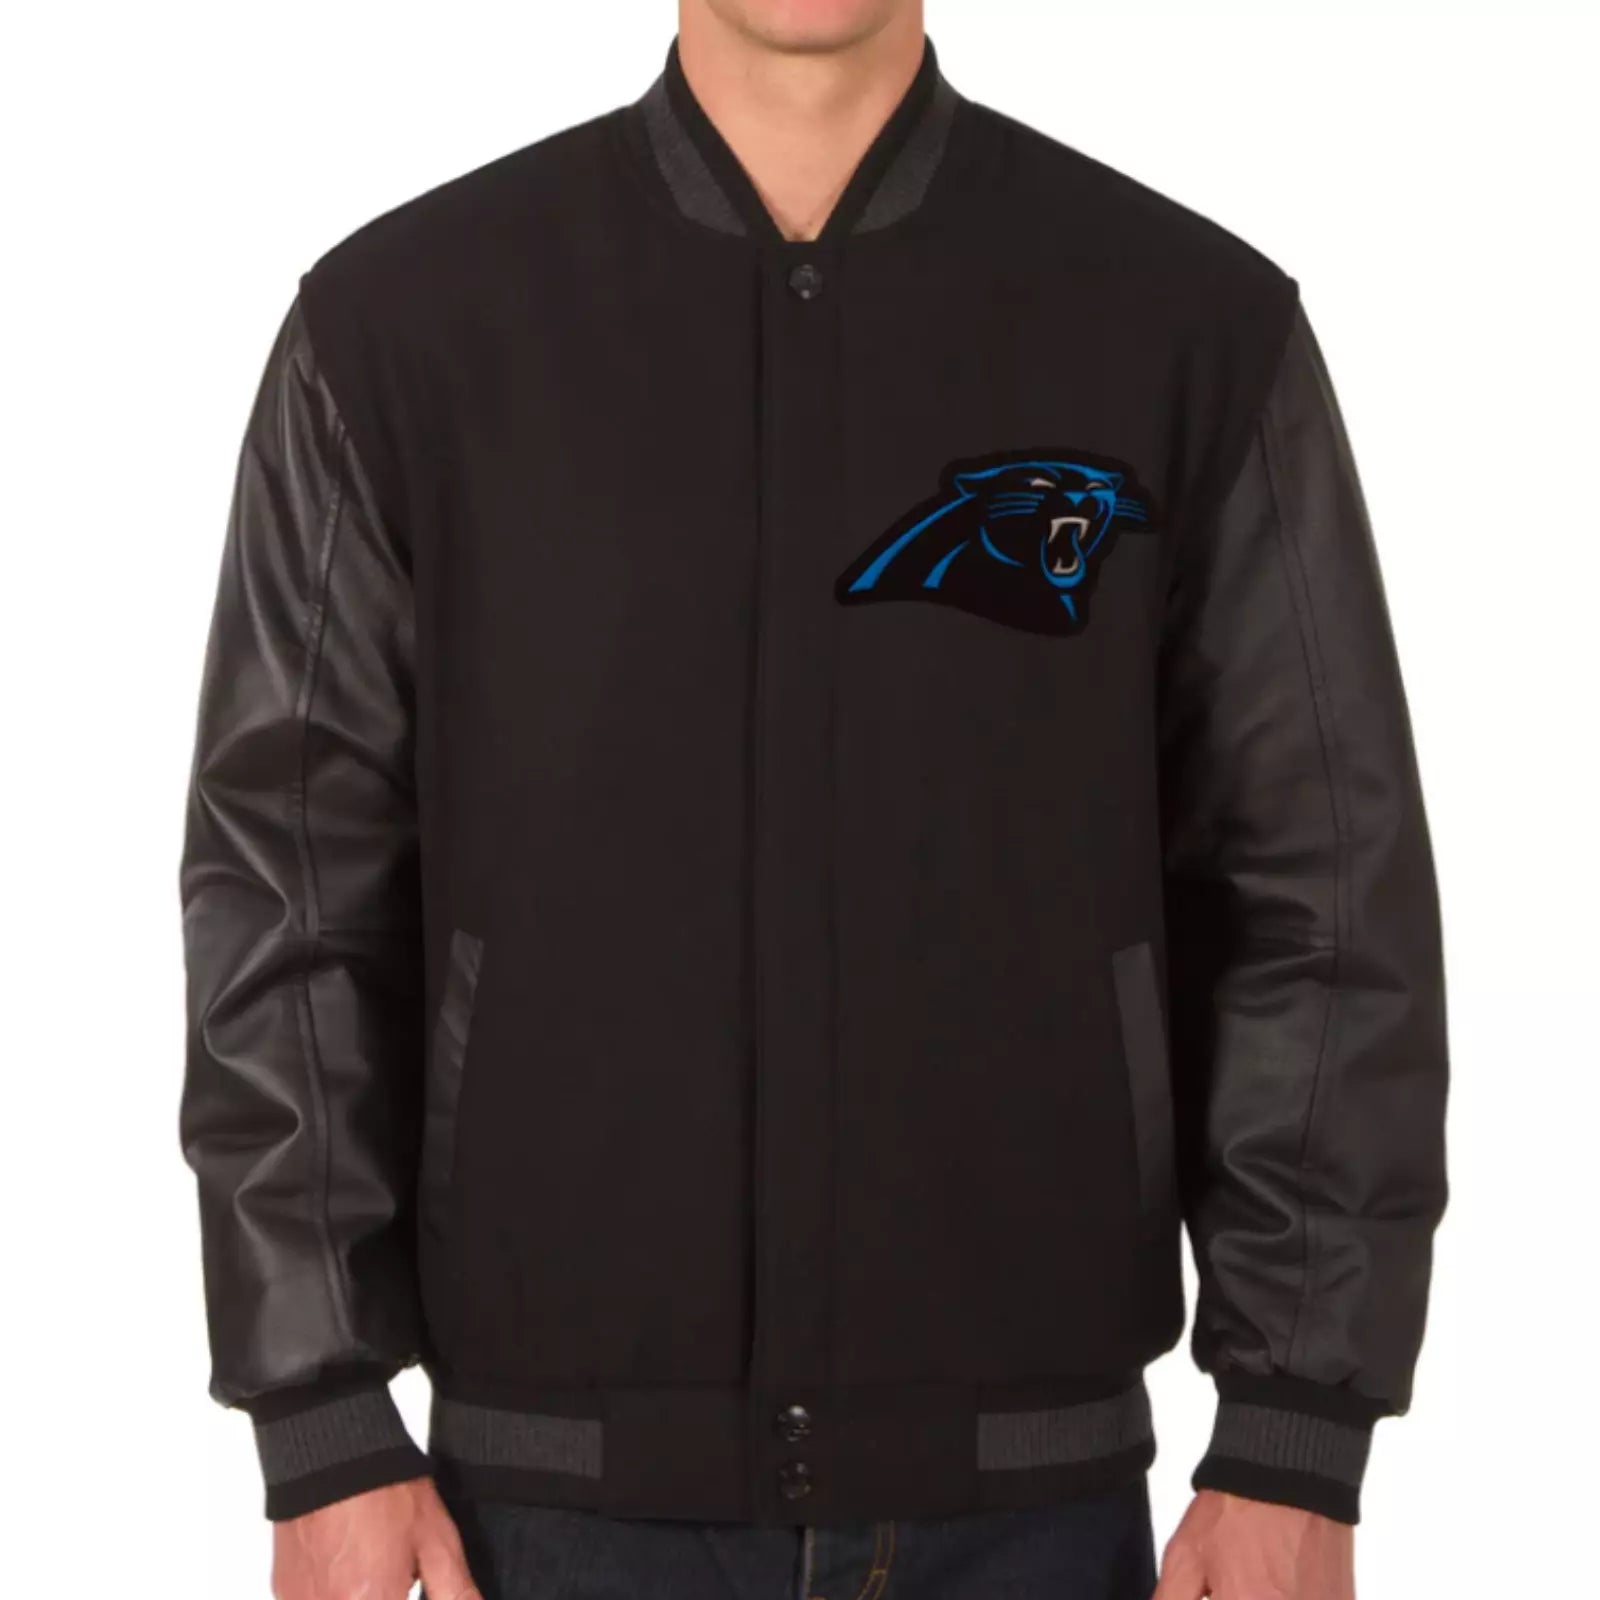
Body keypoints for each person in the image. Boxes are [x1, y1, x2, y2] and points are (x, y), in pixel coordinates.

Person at [177, 1, 1449, 1596]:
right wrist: (322, 1418)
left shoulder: (1183, 324)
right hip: (547, 1518)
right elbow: (287, 893)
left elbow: (1319, 889)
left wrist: (1294, 1431)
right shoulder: (406, 332)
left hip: (1030, 1515)